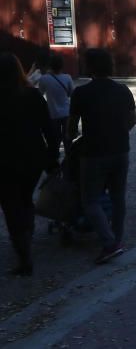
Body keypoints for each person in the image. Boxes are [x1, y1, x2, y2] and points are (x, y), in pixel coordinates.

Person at [68, 48, 136, 265]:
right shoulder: (123, 90)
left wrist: (72, 141)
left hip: (93, 153)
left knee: (90, 199)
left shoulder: (81, 93)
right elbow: (132, 120)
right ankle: (117, 238)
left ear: (89, 67)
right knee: (118, 198)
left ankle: (109, 243)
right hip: (120, 150)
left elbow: (71, 127)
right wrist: (117, 130)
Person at [0, 53, 60, 276]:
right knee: (25, 198)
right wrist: (52, 159)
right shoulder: (33, 96)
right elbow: (49, 130)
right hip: (33, 158)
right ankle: (28, 235)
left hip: (4, 161)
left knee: (10, 205)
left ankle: (24, 252)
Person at [36, 53, 74, 154]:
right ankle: (68, 160)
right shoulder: (68, 77)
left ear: (50, 65)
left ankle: (55, 160)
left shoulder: (44, 79)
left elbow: (40, 94)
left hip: (52, 113)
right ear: (62, 65)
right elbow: (71, 94)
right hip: (66, 113)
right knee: (67, 139)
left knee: (55, 140)